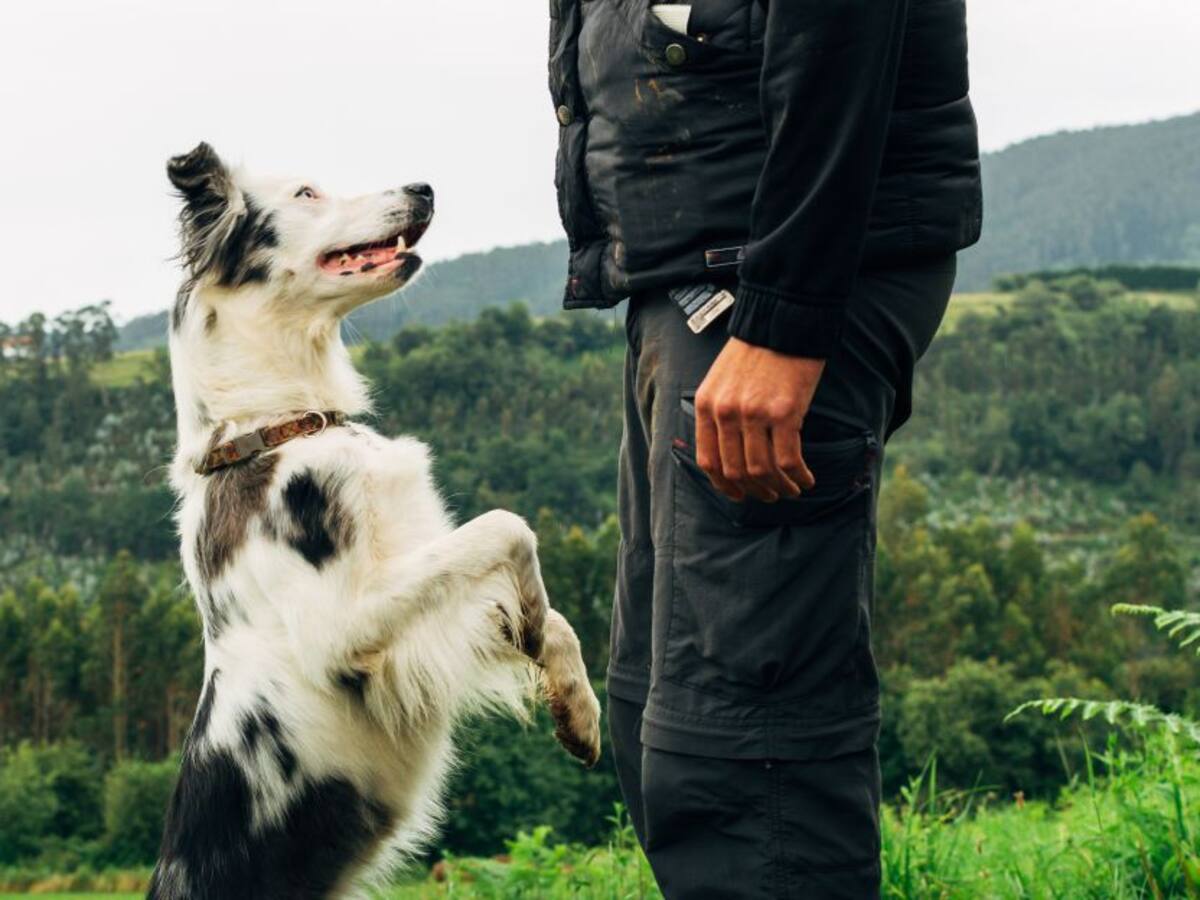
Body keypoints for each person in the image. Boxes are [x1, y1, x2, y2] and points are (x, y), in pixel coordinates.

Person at [548, 0, 981, 896]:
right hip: (691, 276)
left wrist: (783, 319)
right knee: (653, 706)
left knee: (745, 750)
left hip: (769, 282)